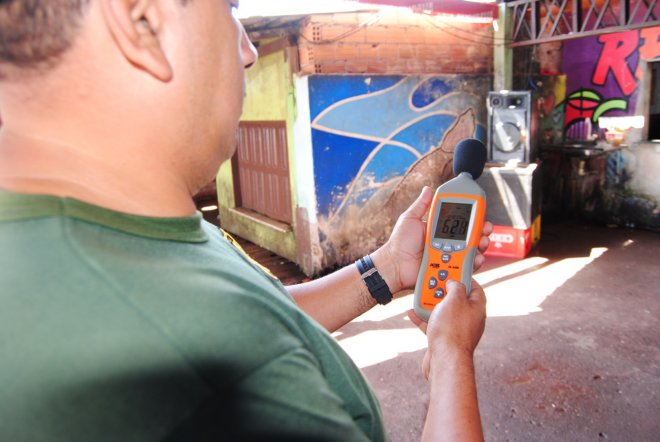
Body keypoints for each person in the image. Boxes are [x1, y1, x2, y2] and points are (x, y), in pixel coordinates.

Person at [0, 1, 492, 440]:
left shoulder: (110, 213)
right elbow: (239, 331)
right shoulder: (215, 373)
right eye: (229, 7)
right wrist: (451, 354)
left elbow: (263, 311)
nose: (249, 49)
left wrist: (385, 268)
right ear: (143, 21)